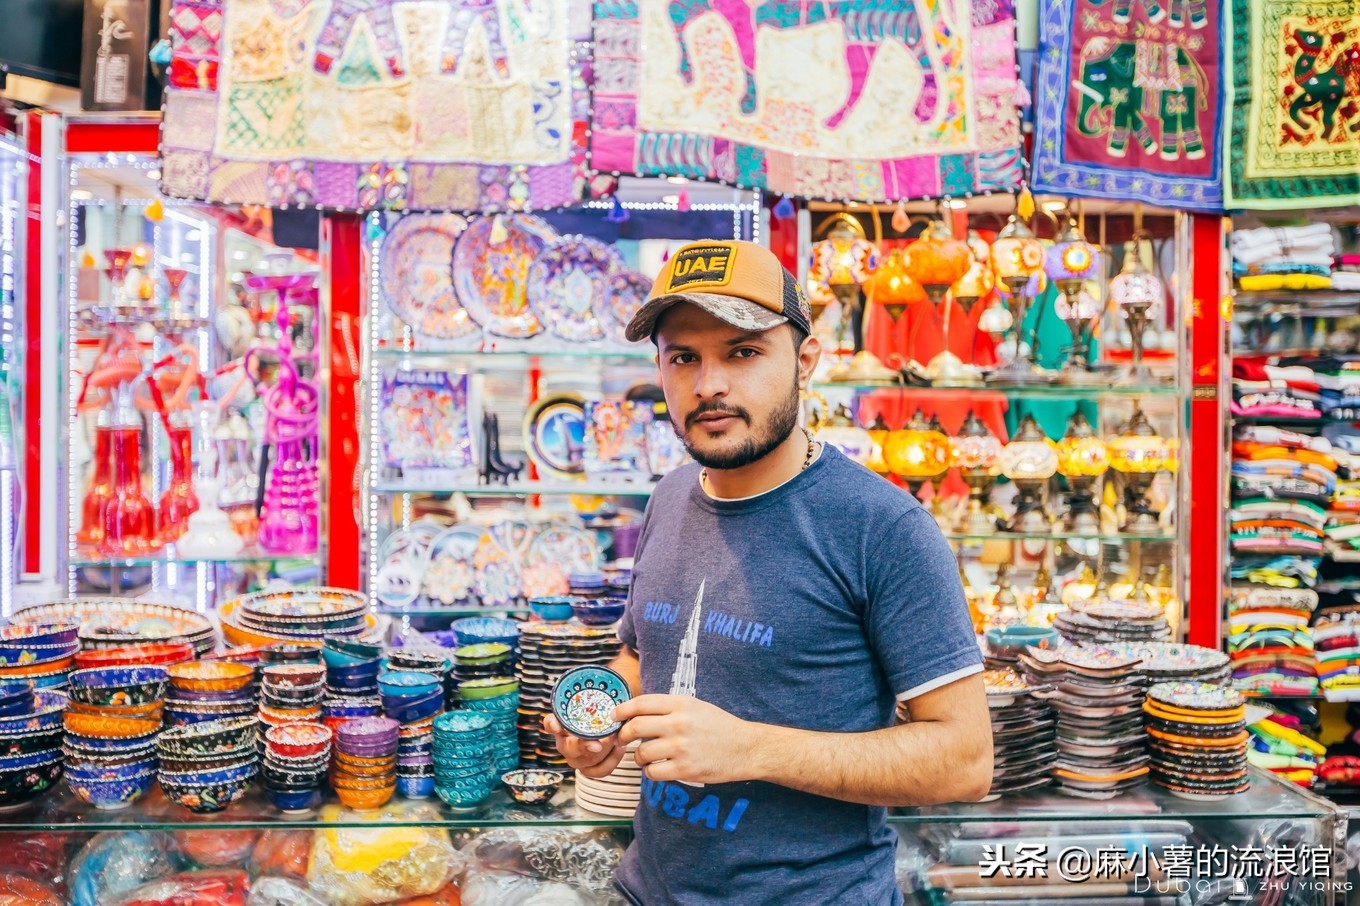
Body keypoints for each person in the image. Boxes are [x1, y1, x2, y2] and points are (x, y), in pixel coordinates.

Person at [544, 240, 991, 905]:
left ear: (805, 361)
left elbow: (965, 761)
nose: (710, 384)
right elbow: (641, 654)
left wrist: (751, 750)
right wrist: (597, 715)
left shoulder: (882, 526)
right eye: (684, 357)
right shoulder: (669, 497)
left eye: (743, 352)